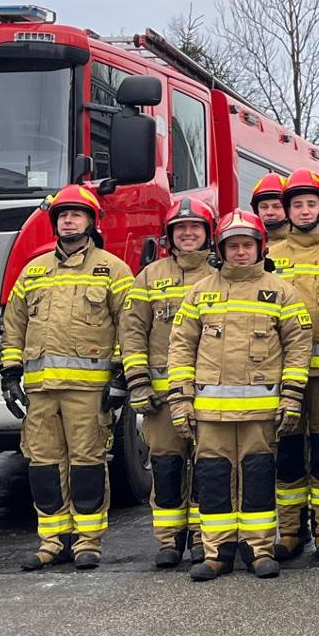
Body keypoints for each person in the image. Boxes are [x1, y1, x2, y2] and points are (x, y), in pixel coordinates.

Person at [166, 210, 311, 581]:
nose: (241, 252)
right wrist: (181, 401)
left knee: (258, 477)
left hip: (261, 412)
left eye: (248, 245)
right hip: (210, 411)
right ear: (221, 248)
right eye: (234, 245)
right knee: (213, 479)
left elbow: (298, 346)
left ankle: (259, 549)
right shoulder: (200, 293)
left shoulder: (281, 291)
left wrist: (292, 396)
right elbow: (181, 347)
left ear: (260, 247)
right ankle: (217, 552)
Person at [0, 184, 133, 571]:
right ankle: (51, 541)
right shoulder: (34, 270)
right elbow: (14, 326)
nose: (68, 220)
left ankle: (87, 541)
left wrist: (121, 376)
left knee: (88, 464)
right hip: (41, 393)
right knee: (42, 466)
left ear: (91, 221)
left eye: (76, 214)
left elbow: (129, 326)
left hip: (88, 393)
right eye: (62, 215)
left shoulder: (113, 269)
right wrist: (10, 373)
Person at [120, 197, 217, 568]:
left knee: (208, 466)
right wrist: (138, 383)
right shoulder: (150, 276)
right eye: (180, 228)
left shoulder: (221, 274)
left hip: (209, 394)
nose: (188, 233)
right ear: (169, 235)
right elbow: (132, 331)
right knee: (166, 464)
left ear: (209, 233)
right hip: (162, 397)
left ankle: (201, 537)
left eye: (195, 227)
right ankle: (169, 539)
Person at [266, 168, 319, 563]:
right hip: (279, 376)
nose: (304, 210)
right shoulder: (267, 256)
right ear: (287, 209)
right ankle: (289, 531)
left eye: (310, 203)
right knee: (285, 452)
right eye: (297, 204)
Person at [251, 172, 291, 246]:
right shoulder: (249, 245)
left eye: (277, 207)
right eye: (264, 207)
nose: (269, 212)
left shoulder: (303, 243)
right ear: (257, 212)